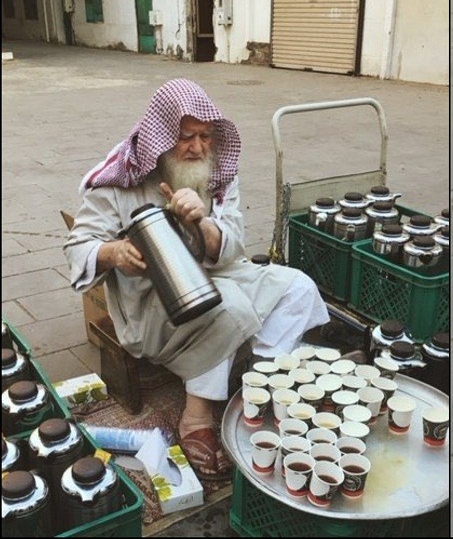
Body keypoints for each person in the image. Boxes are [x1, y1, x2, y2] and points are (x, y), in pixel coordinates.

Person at [64, 79, 329, 480]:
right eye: (187, 137)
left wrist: (203, 221)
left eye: (206, 136)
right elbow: (78, 247)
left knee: (299, 288)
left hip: (223, 273)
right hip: (151, 304)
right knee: (224, 307)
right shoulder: (122, 180)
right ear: (160, 137)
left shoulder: (215, 173)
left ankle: (260, 383)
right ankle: (196, 416)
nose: (200, 148)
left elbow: (234, 244)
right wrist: (114, 253)